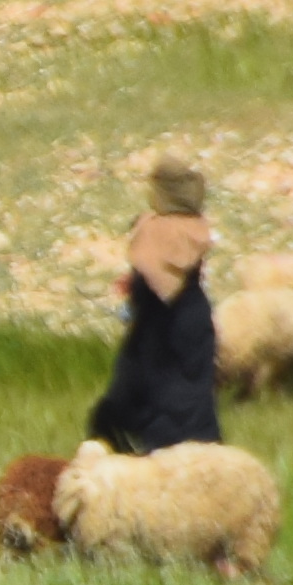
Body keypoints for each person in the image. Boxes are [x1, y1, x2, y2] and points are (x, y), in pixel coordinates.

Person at [84, 145, 220, 454]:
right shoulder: (195, 227)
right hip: (193, 321)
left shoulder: (153, 229)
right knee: (193, 403)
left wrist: (133, 289)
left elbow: (151, 280)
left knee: (141, 399)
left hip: (157, 326)